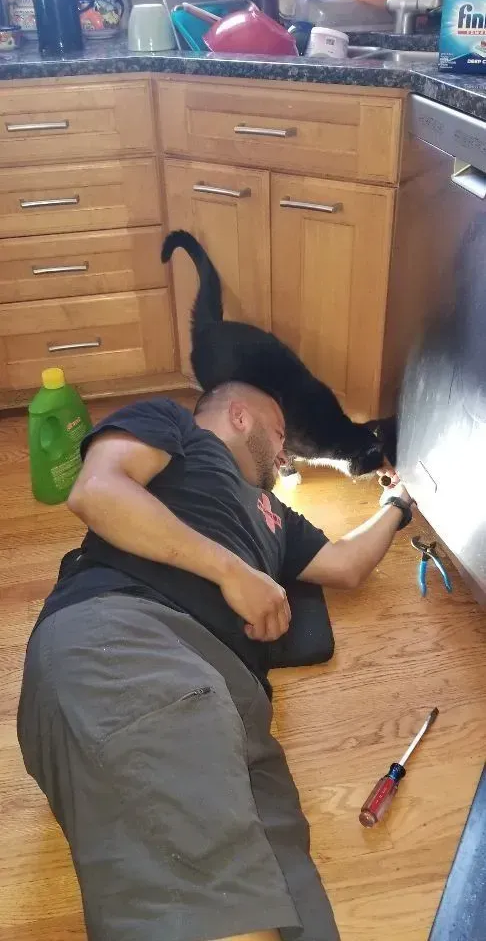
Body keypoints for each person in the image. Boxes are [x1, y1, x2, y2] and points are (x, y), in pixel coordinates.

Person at [18, 382, 414, 941]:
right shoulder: (176, 427)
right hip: (133, 634)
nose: (285, 452)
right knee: (213, 910)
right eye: (280, 433)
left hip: (237, 704)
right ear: (240, 415)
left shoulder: (278, 517)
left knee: (291, 907)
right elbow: (97, 491)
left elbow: (346, 564)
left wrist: (397, 506)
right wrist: (232, 572)